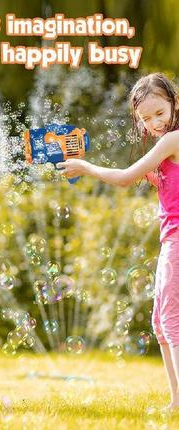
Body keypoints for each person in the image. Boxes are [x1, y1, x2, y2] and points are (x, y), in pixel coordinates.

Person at [57, 73, 179, 411]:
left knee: (171, 321)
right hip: (170, 239)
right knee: (160, 323)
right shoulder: (165, 149)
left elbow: (125, 178)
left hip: (178, 241)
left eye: (160, 113)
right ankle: (176, 401)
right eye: (146, 118)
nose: (154, 123)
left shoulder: (173, 141)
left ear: (174, 104)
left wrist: (87, 168)